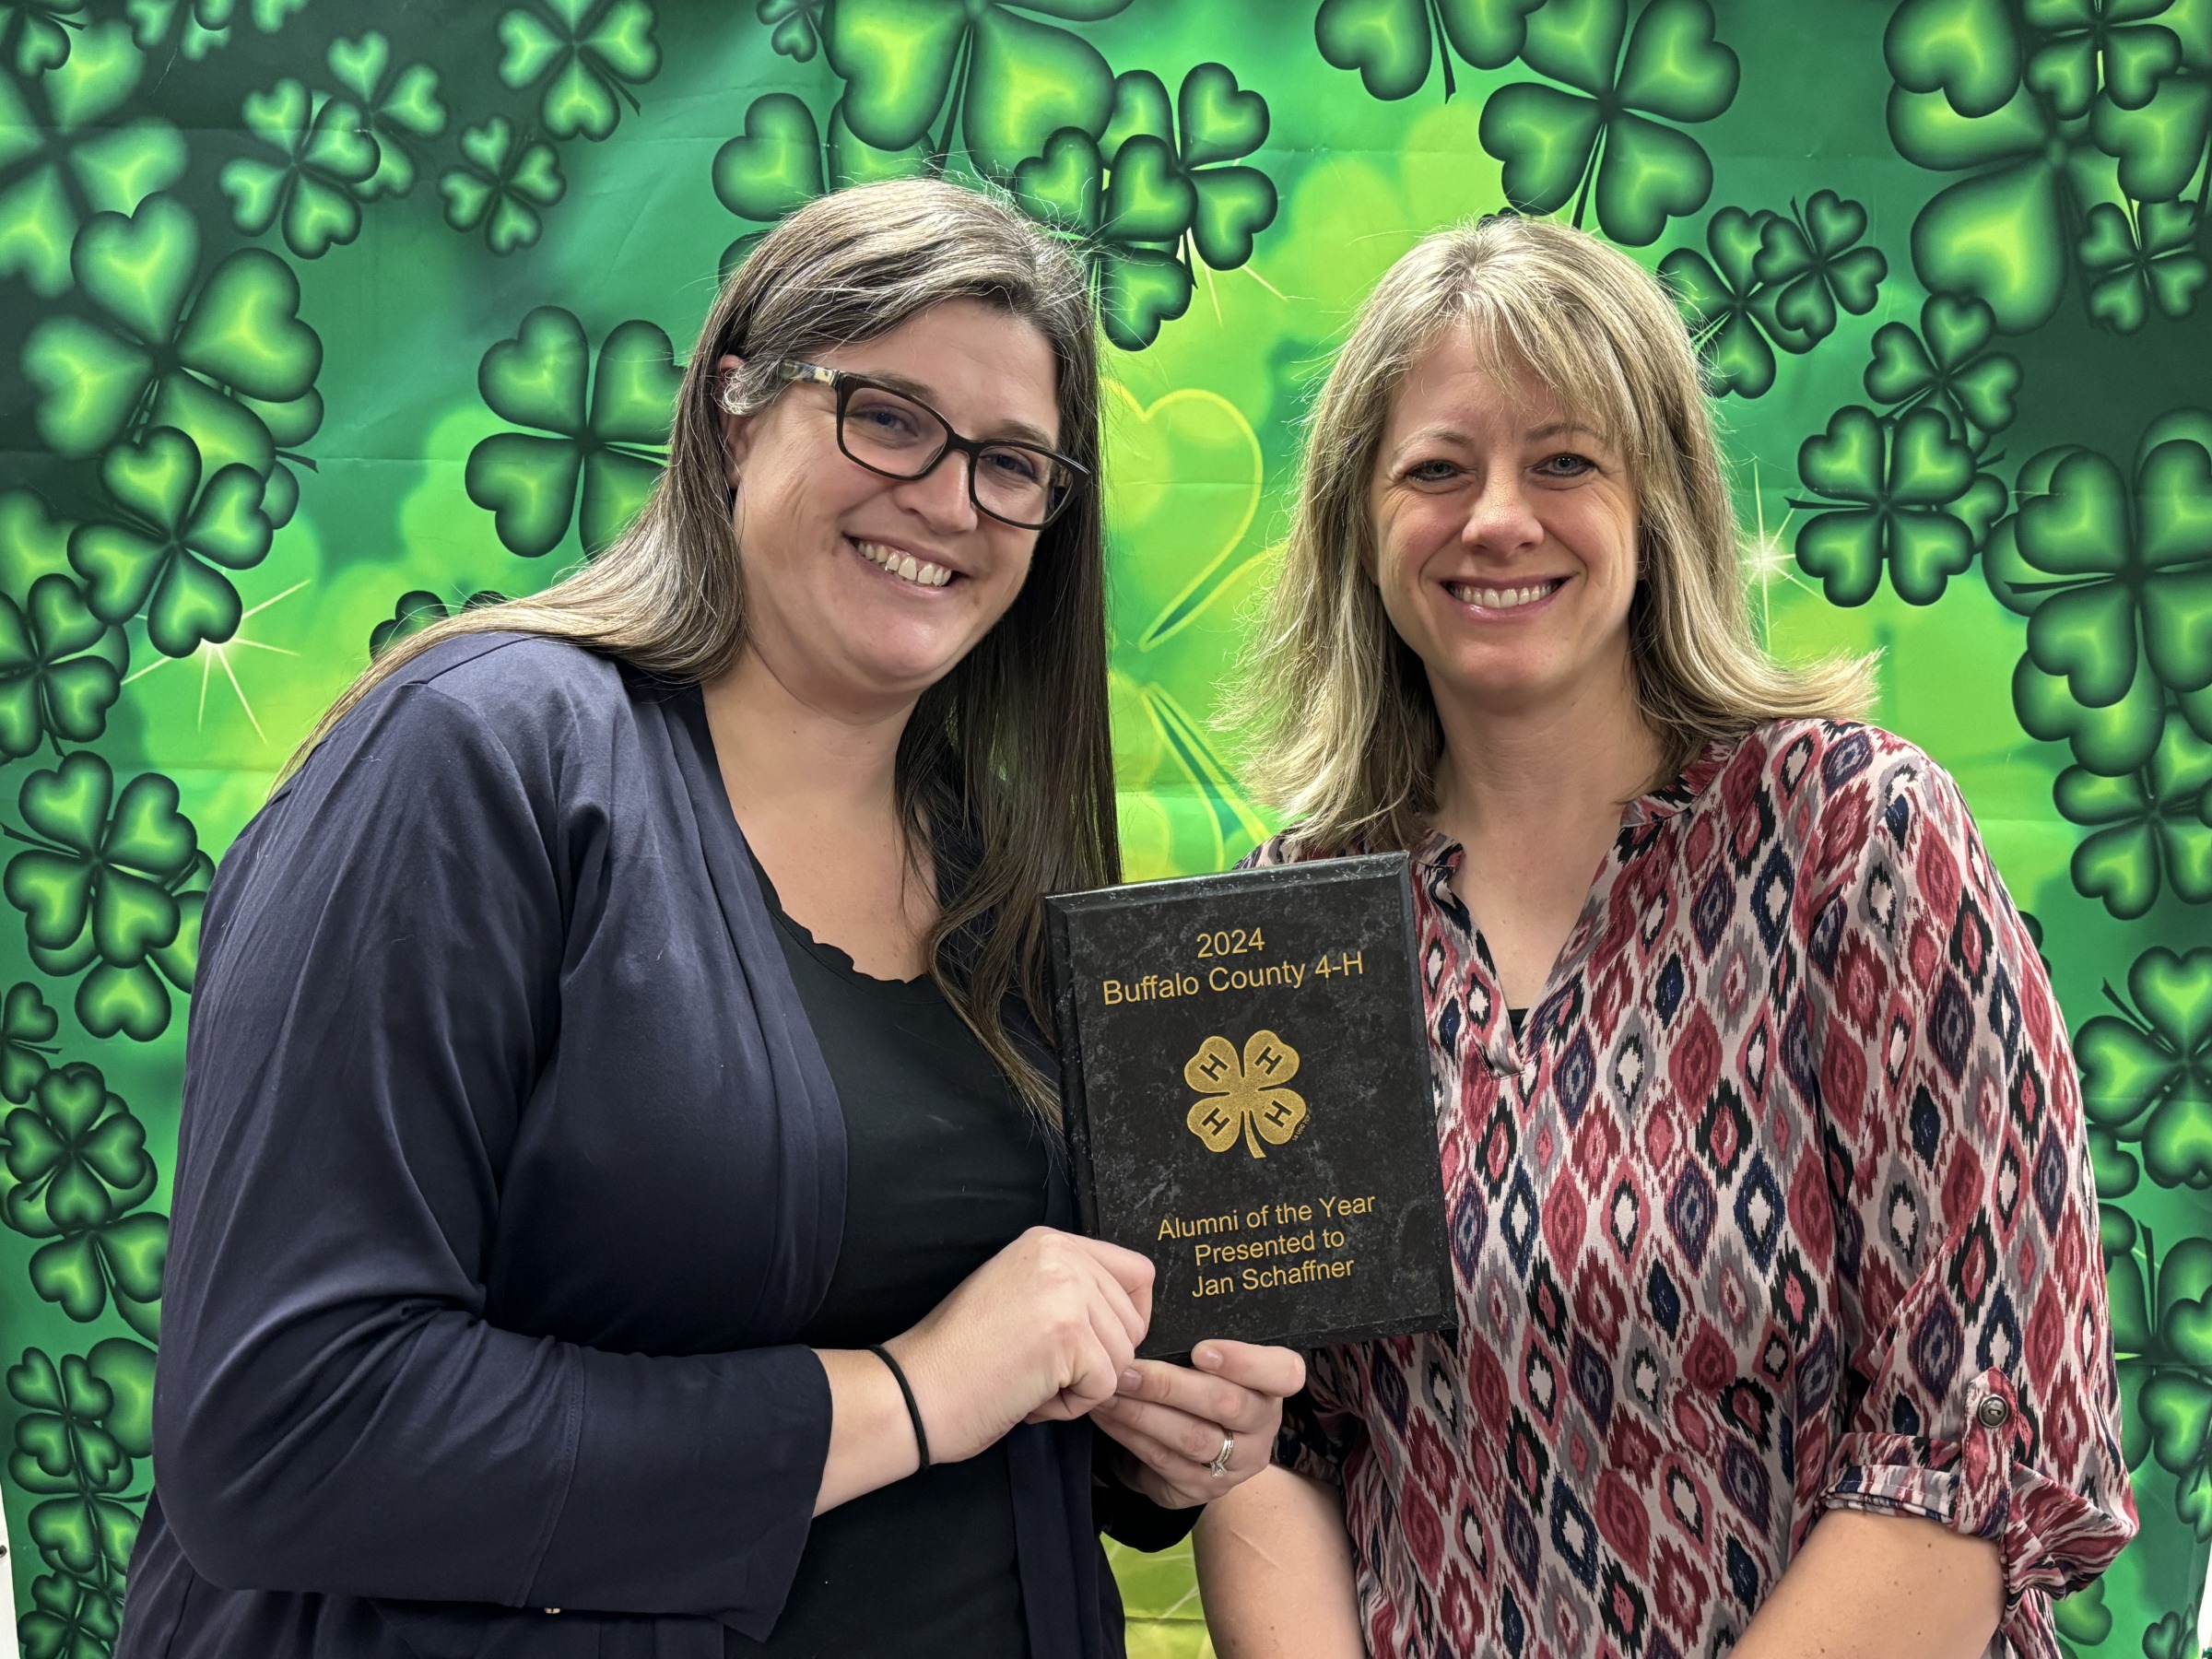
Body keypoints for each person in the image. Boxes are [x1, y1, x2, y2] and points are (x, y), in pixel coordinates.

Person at [115, 178, 1302, 1659]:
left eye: (1015, 464)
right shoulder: (472, 760)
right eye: (887, 416)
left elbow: (998, 1343)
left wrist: (1140, 1430)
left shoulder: (999, 875)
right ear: (736, 408)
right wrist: (911, 1394)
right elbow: (288, 1429)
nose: (948, 499)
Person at [1192, 215, 2135, 1659]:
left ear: (1662, 506)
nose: (1496, 516)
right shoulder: (1285, 931)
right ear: (1355, 524)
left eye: (1564, 460)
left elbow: (1975, 1459)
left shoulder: (1854, 841)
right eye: (1436, 469)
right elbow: (1272, 1445)